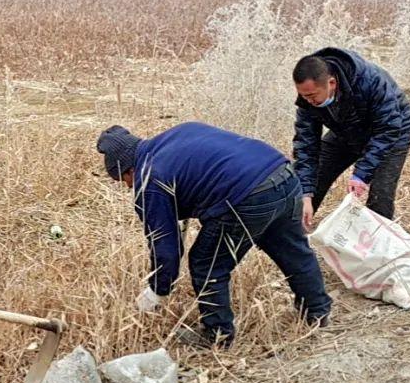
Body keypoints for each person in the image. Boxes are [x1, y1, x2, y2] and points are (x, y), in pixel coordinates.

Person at [97, 122, 332, 348]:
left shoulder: (149, 179)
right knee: (293, 251)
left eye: (124, 180)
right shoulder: (178, 133)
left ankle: (218, 335)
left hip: (246, 196)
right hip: (283, 174)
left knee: (206, 263)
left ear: (128, 168)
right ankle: (318, 311)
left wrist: (157, 291)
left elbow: (166, 249)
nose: (129, 187)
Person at [293, 47, 410, 228]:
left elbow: (388, 128)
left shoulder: (370, 81)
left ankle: (375, 248)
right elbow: (306, 146)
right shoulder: (308, 99)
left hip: (392, 129)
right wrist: (305, 194)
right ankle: (294, 235)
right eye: (303, 96)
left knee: (379, 197)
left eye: (311, 96)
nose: (308, 101)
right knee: (310, 185)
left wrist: (361, 174)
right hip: (346, 130)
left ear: (332, 83)